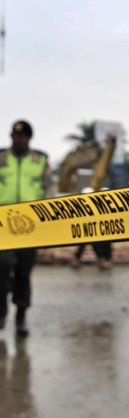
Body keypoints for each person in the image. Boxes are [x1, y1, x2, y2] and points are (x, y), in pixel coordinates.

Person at [0, 120, 50, 337]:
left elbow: (48, 190)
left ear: (29, 138)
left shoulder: (41, 160)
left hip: (30, 226)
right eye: (15, 135)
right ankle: (1, 314)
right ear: (11, 136)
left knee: (24, 272)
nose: (18, 139)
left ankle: (21, 317)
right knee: (1, 270)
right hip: (2, 225)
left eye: (23, 136)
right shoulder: (0, 157)